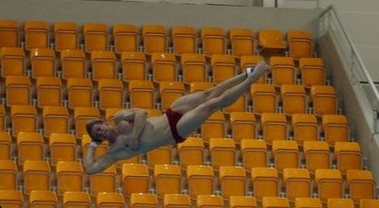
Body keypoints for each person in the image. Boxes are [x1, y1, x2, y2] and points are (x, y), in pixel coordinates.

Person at [83, 60, 269, 175]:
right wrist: (92, 145)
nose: (101, 133)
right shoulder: (115, 151)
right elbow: (90, 169)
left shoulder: (119, 118)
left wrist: (134, 136)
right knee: (211, 105)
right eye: (97, 135)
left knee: (209, 93)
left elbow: (142, 113)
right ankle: (252, 80)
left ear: (104, 123)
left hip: (170, 114)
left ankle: (247, 73)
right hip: (173, 131)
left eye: (99, 129)